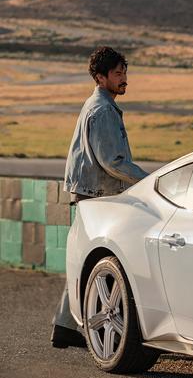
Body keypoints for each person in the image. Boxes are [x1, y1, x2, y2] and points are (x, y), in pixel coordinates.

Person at [51, 46, 149, 348]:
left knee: (86, 260)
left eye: (125, 73)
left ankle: (66, 326)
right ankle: (91, 326)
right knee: (97, 262)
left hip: (91, 194)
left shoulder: (100, 104)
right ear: (100, 77)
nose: (124, 79)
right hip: (96, 197)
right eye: (118, 74)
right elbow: (113, 161)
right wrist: (149, 182)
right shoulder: (103, 109)